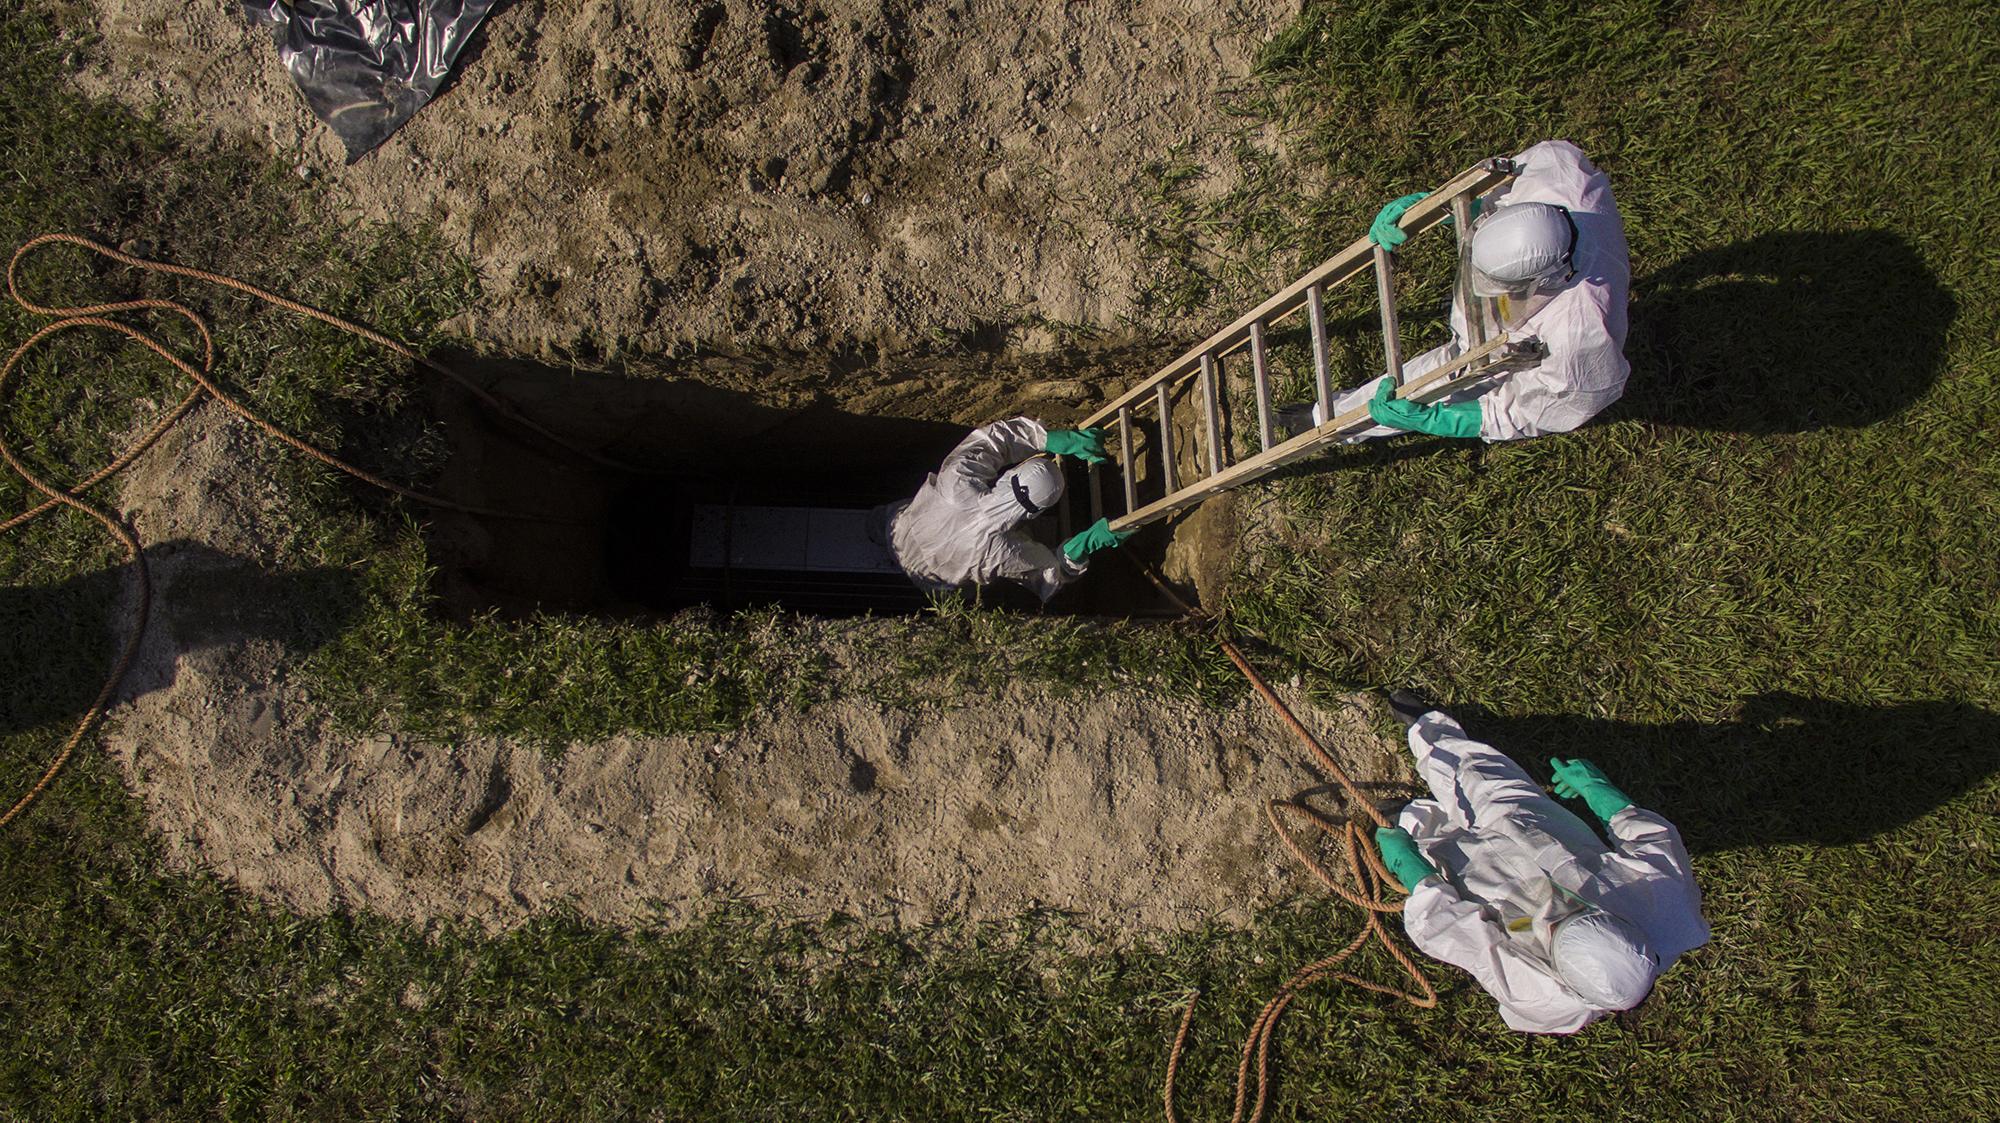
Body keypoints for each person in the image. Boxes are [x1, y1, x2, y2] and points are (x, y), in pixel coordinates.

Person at [1371, 691, 1710, 1034]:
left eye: (1558, 925)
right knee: (1488, 781)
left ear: (1560, 975)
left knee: (1442, 854)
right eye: (1580, 911)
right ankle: (1429, 730)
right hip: (1555, 842)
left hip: (1507, 909)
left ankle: (1411, 820)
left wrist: (1415, 872)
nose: (1559, 908)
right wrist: (1597, 789)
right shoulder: (1668, 904)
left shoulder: (1534, 995)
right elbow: (1651, 837)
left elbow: (1454, 930)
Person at [1327, 139, 1631, 442]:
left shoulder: (1580, 331)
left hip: (1524, 334)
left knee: (1456, 372)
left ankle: (1334, 425)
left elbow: (1552, 402)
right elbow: (1499, 191)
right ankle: (1331, 417)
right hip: (1528, 270)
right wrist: (1438, 207)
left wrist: (1451, 419)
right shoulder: (1553, 169)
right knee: (1454, 356)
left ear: (1545, 278)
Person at [872, 417, 1132, 602]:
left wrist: (1047, 439)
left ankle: (872, 527)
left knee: (880, 522)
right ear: (1038, 510)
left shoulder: (957, 481)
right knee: (966, 591)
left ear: (1012, 476)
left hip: (898, 527)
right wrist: (1079, 550)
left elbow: (994, 441)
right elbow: (1051, 575)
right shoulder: (1002, 553)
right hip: (933, 582)